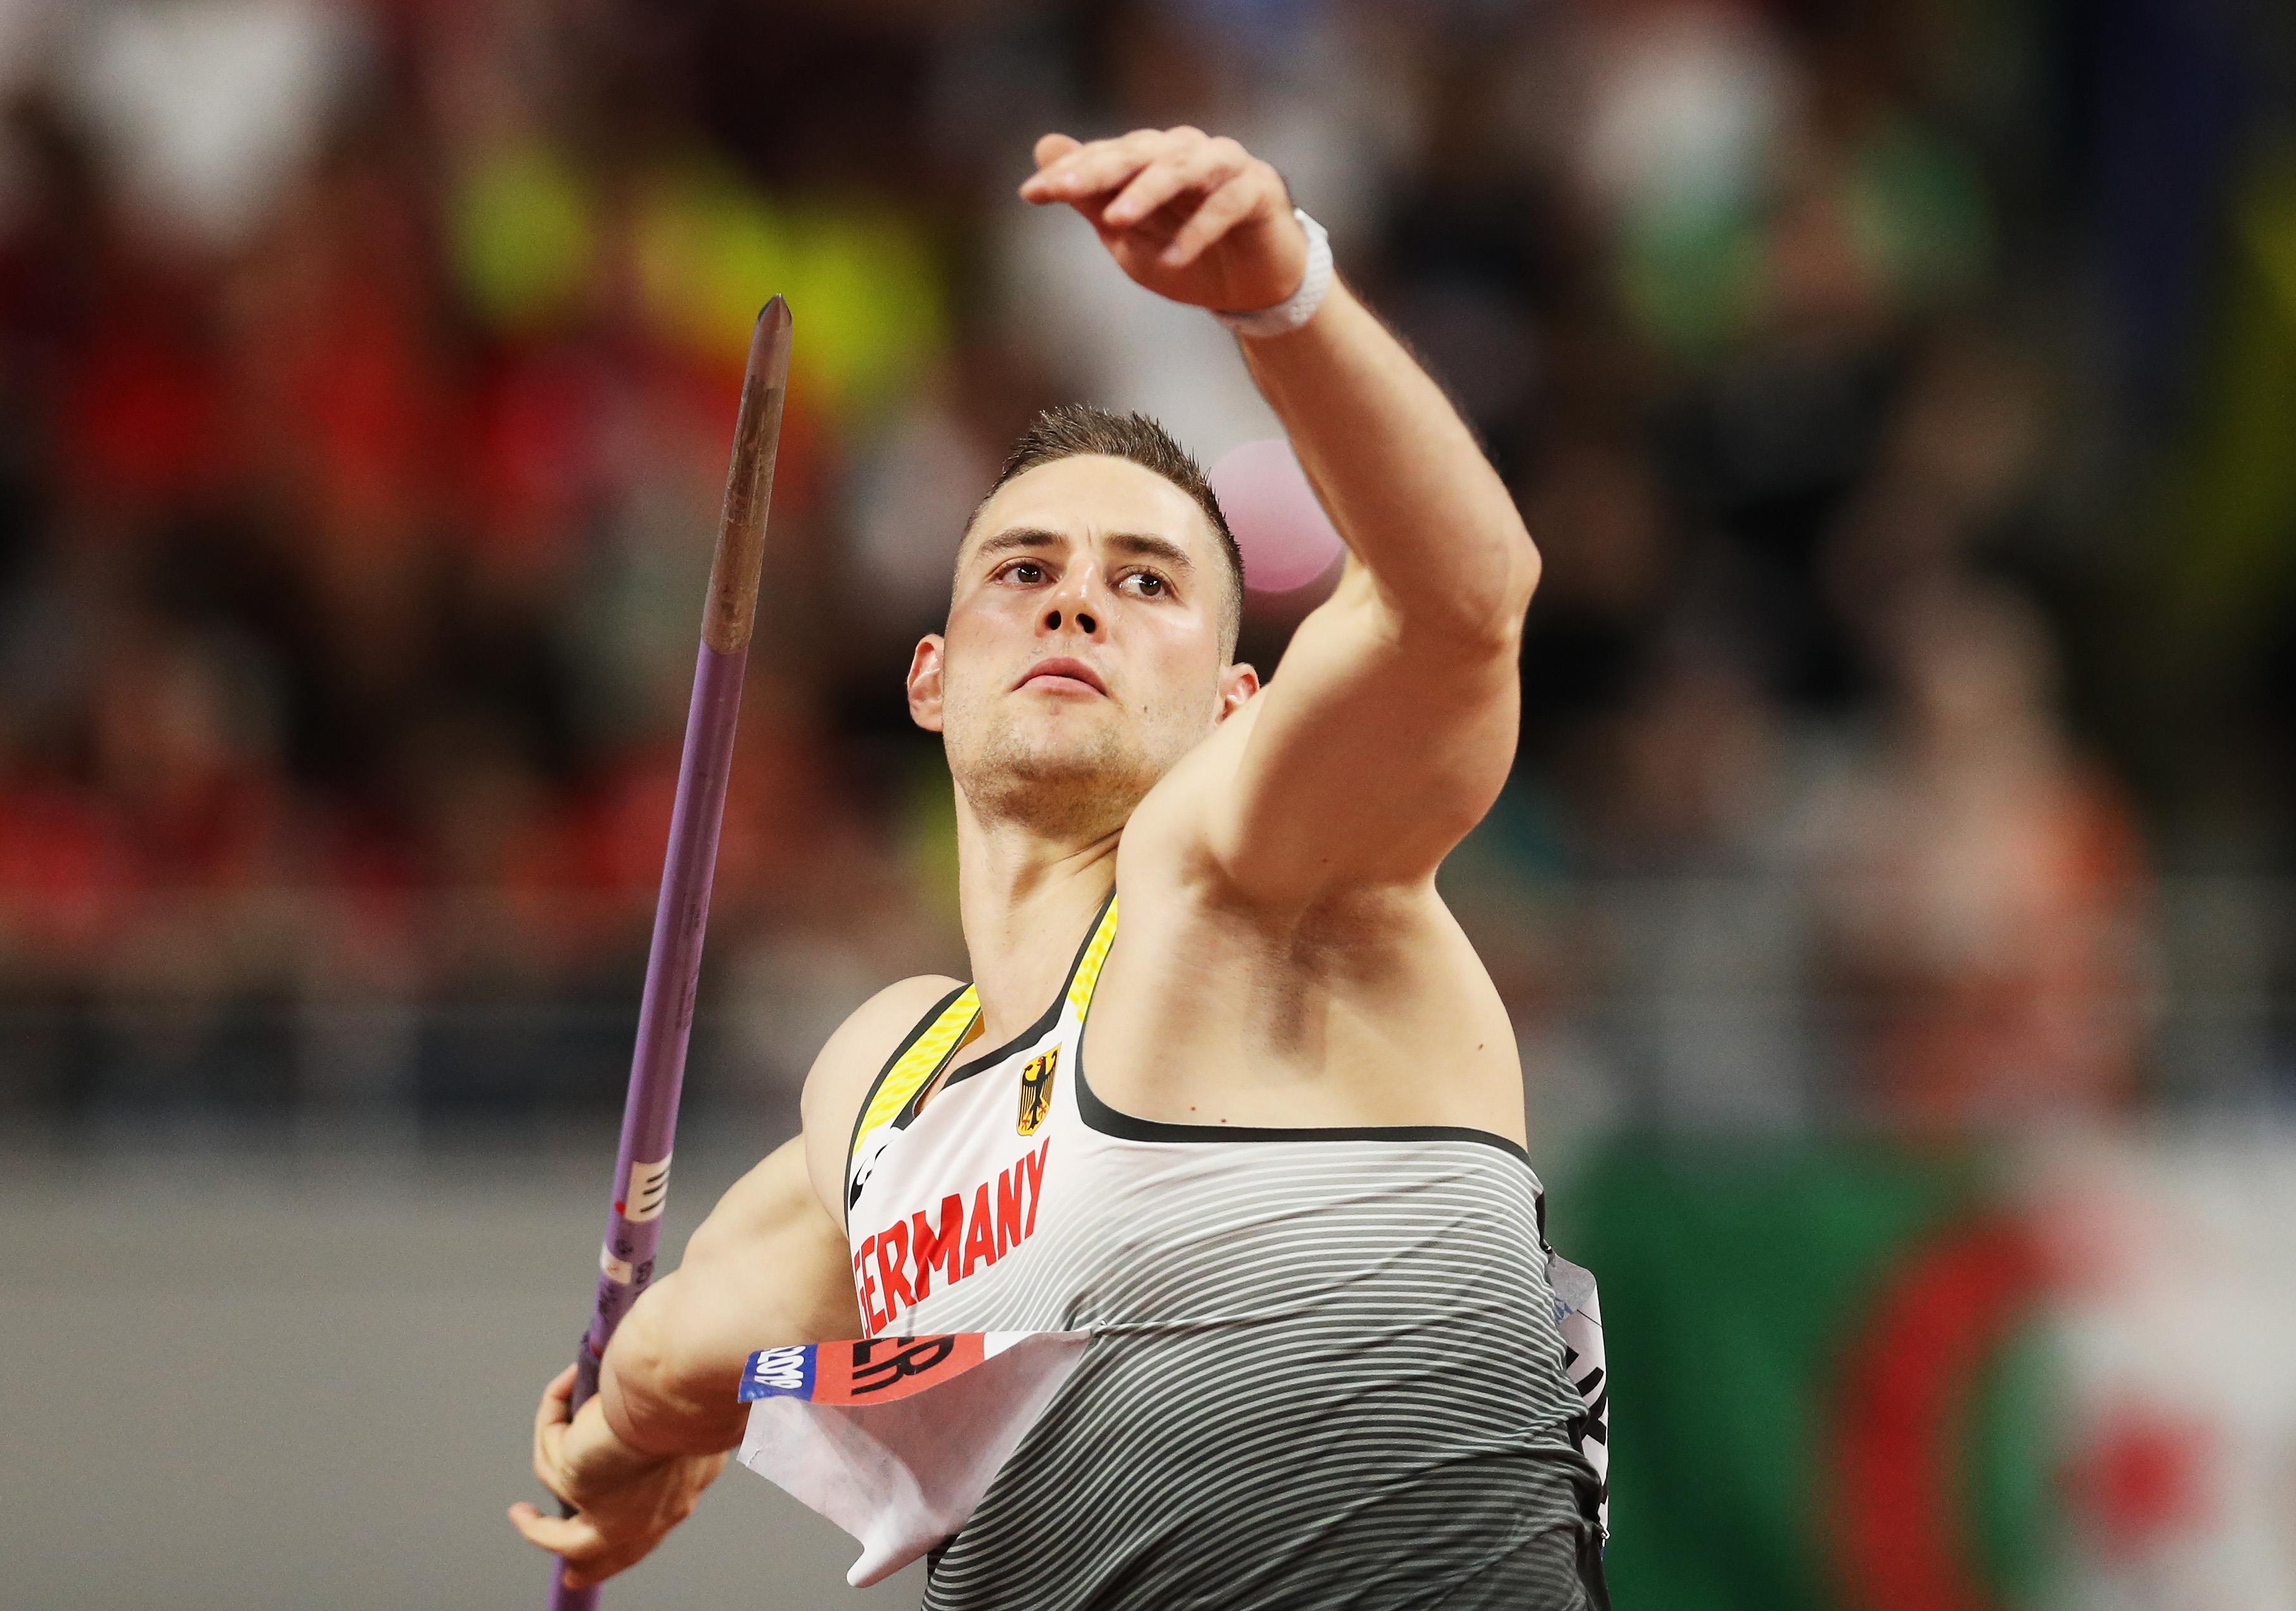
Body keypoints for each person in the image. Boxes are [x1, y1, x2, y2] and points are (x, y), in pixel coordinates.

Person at [511, 126, 1610, 1610]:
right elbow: (671, 1352)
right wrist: (624, 1445)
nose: (1075, 602)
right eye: (1022, 569)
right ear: (929, 676)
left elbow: (1462, 604)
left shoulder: (1258, 885)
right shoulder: (887, 1098)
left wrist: (1281, 299)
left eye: (1144, 582)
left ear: (1236, 704)